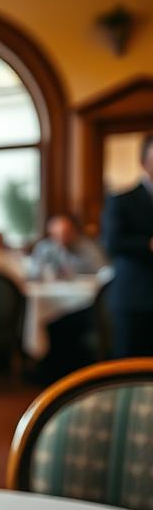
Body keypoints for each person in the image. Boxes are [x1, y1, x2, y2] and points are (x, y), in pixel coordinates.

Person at [102, 133, 153, 357]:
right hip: (135, 298)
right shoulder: (122, 200)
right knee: (129, 369)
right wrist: (149, 244)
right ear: (144, 162)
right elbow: (112, 243)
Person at [29, 215, 106, 279]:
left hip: (83, 292)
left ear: (73, 231)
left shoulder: (88, 247)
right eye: (57, 235)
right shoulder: (44, 248)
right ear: (51, 234)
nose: (62, 238)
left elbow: (103, 271)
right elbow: (34, 273)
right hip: (51, 292)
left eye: (66, 233)